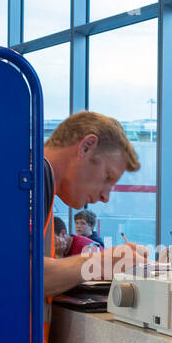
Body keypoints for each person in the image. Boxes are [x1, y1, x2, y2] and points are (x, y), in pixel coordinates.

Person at [42, 112, 146, 299]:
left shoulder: (43, 185)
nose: (105, 197)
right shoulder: (30, 181)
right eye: (107, 177)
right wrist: (101, 262)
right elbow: (16, 275)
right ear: (86, 147)